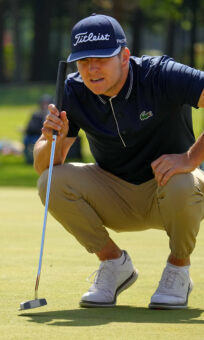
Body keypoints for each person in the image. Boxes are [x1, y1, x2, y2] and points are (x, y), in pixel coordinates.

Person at [34, 13, 204, 310]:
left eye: (101, 59)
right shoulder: (73, 90)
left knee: (180, 180)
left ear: (124, 56)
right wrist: (52, 137)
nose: (92, 69)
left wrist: (191, 158)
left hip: (174, 191)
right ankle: (114, 264)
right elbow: (44, 165)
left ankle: (178, 268)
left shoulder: (160, 74)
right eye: (84, 62)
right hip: (115, 195)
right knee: (50, 181)